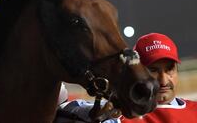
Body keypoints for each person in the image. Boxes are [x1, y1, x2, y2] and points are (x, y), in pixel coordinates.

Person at [57, 33, 197, 123]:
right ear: (138, 72)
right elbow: (59, 106)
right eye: (153, 70)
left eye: (169, 69)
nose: (164, 80)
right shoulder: (113, 115)